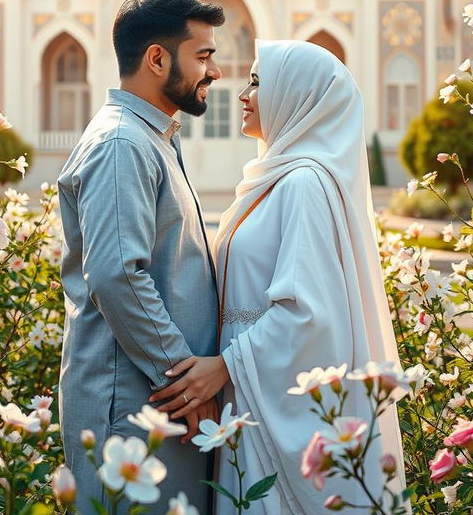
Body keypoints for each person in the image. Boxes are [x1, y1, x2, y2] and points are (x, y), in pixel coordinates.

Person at [151, 39, 406, 514]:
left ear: (298, 95)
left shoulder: (305, 184)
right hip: (251, 394)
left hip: (262, 392)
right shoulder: (278, 180)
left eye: (257, 81)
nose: (242, 93)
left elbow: (306, 309)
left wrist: (223, 366)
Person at [58, 0, 224, 514]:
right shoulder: (122, 144)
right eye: (202, 55)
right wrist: (184, 378)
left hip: (156, 396)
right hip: (134, 402)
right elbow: (116, 275)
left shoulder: (152, 138)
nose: (214, 72)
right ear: (157, 58)